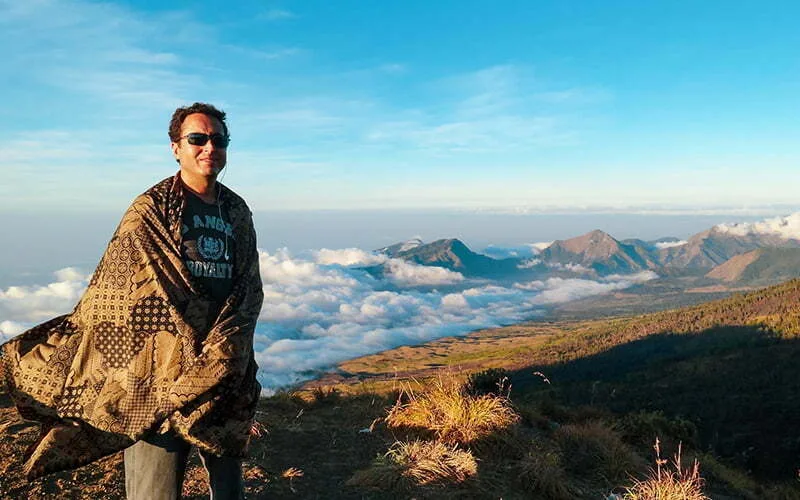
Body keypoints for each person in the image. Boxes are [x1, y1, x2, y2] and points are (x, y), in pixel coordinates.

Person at [0, 103, 263, 500]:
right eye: (198, 138)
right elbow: (120, 293)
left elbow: (249, 287)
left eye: (219, 140)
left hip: (223, 369)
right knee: (154, 489)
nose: (210, 147)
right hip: (156, 375)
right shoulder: (151, 209)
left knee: (228, 484)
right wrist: (182, 348)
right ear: (176, 147)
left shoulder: (236, 210)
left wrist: (226, 350)